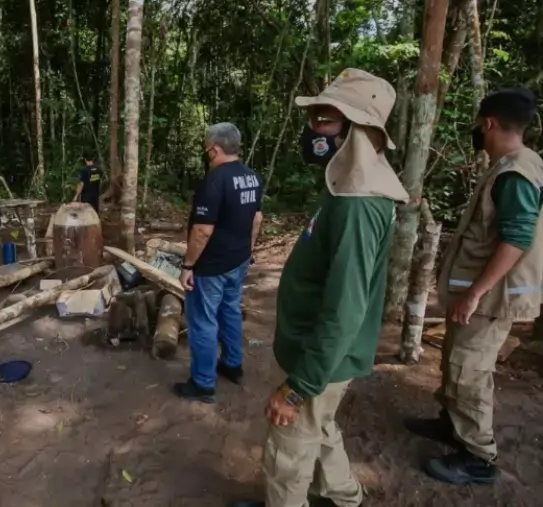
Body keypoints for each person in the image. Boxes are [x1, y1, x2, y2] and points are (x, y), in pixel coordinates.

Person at [231, 69, 409, 507]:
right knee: (321, 429)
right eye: (314, 119)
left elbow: (346, 308)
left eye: (325, 120)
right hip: (318, 354)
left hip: (317, 359)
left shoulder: (358, 205)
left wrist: (297, 386)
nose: (313, 129)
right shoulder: (344, 189)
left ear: (357, 129)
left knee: (287, 453)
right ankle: (344, 496)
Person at [404, 88, 543, 485]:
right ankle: (452, 424)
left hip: (490, 298)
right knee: (455, 361)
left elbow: (516, 239)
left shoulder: (516, 171)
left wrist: (475, 292)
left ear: (490, 123)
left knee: (469, 373)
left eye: (479, 125)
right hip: (481, 295)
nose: (476, 131)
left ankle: (478, 457)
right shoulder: (515, 165)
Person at [173, 122, 263, 404]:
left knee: (202, 321)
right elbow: (257, 219)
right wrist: (248, 252)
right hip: (237, 260)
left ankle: (203, 383)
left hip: (211, 266)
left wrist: (188, 266)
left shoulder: (214, 180)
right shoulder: (252, 177)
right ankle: (233, 365)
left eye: (206, 149)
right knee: (230, 311)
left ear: (214, 149)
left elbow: (202, 230)